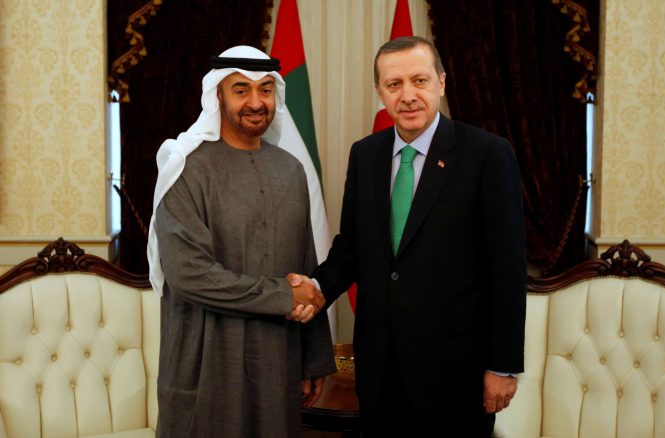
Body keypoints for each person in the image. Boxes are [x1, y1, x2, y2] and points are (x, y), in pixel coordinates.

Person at [298, 36, 526, 436]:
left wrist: (503, 366)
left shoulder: (487, 154)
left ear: (442, 82)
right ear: (379, 91)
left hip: (456, 375)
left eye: (419, 81)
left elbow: (506, 269)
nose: (407, 96)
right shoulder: (365, 155)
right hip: (379, 371)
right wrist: (314, 289)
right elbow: (351, 248)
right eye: (394, 84)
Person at [146, 46, 335, 438]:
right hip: (205, 359)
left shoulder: (291, 170)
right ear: (217, 95)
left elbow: (307, 266)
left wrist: (314, 359)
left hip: (276, 358)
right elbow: (189, 275)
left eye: (265, 90)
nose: (255, 102)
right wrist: (284, 296)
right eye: (241, 90)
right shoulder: (185, 168)